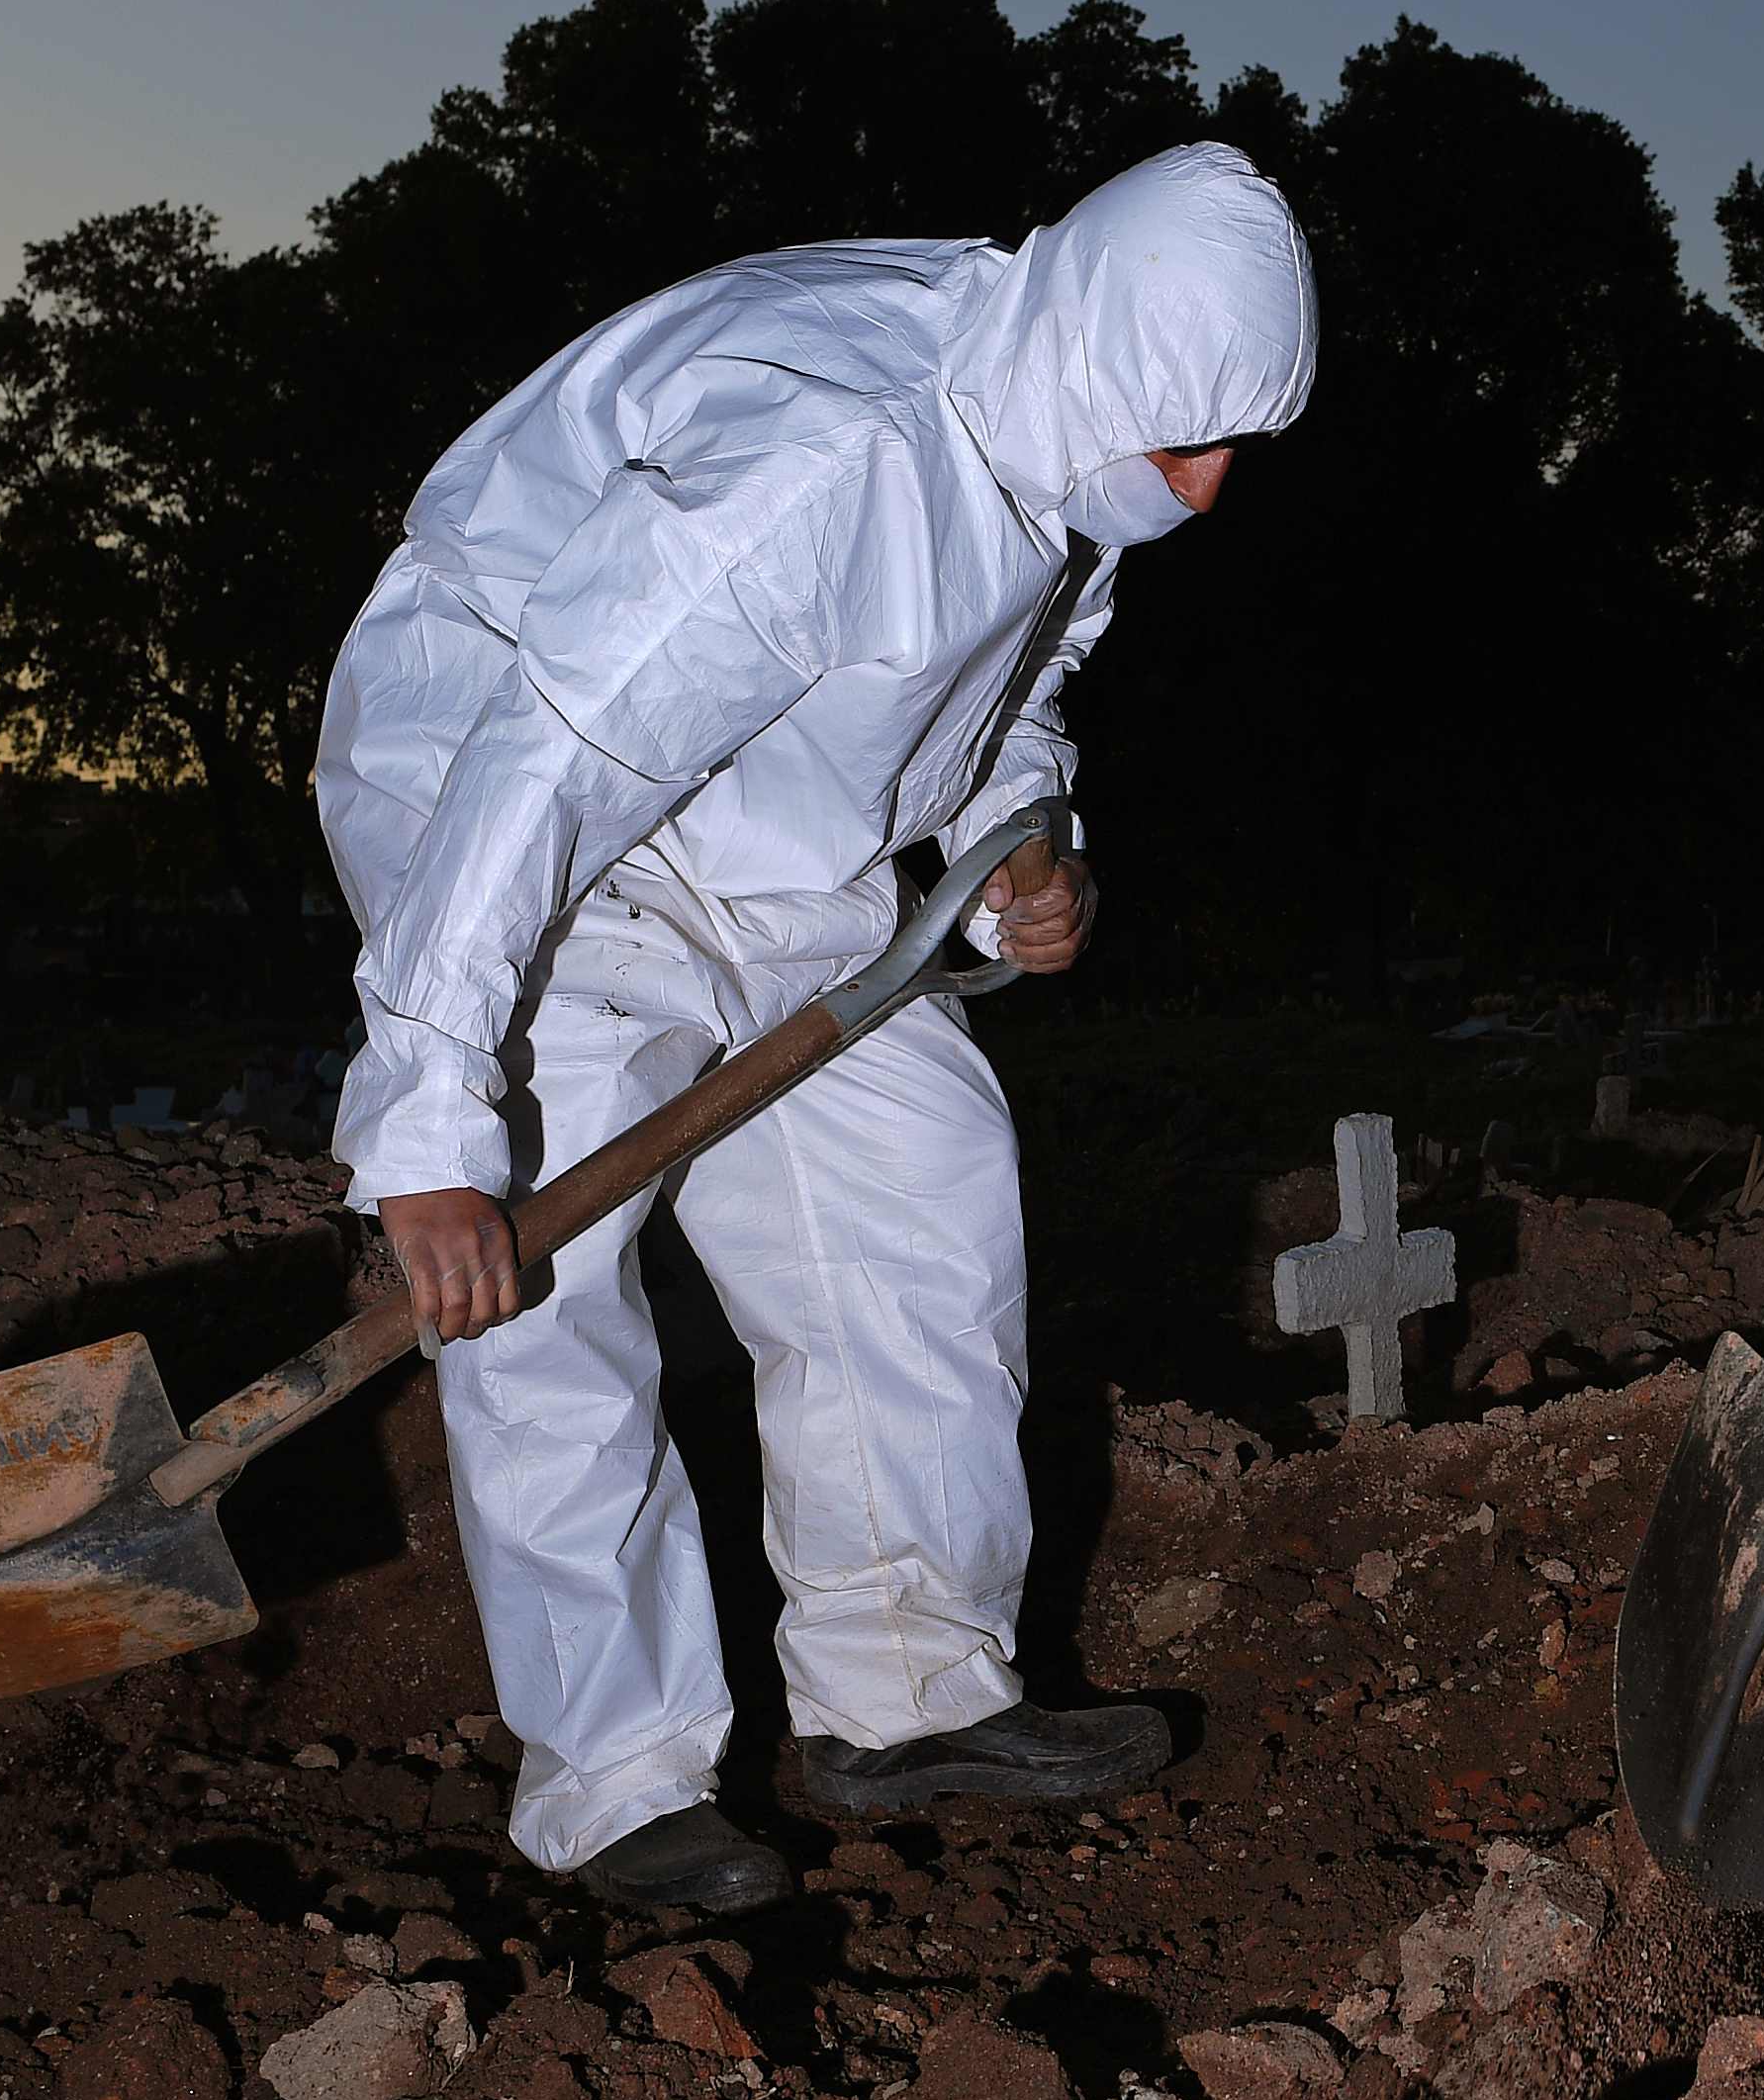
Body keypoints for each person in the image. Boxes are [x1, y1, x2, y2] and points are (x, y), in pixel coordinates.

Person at [317, 142, 1317, 1916]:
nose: (1214, 488)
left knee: (920, 1181)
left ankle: (907, 1697)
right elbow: (548, 767)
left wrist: (1024, 838)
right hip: (518, 799)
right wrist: (428, 1132)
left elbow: (1006, 671)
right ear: (1103, 363)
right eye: (1189, 443)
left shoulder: (1062, 417)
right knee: (545, 1285)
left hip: (770, 829)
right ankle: (616, 1787)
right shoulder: (820, 467)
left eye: (1237, 445)